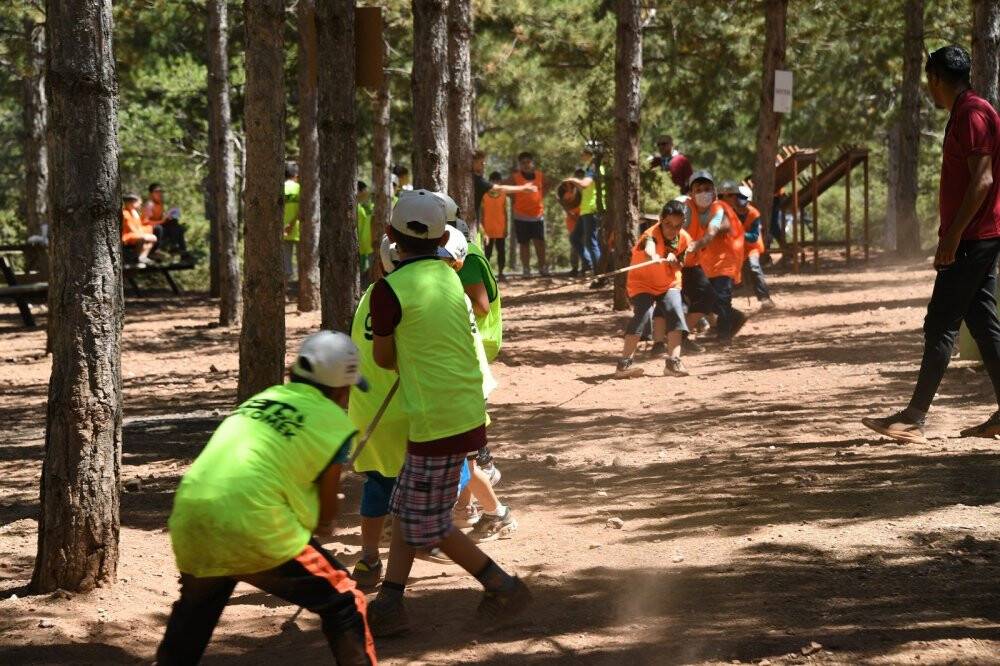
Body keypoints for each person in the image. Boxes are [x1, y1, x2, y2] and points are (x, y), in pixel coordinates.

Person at [365, 189, 531, 636]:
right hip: (465, 409)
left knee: (427, 524)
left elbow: (383, 358)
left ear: (389, 233)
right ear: (443, 237)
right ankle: (390, 601)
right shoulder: (449, 277)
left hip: (435, 419)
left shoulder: (387, 290)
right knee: (408, 507)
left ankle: (502, 586)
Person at [156, 331, 376, 665]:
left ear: (295, 372)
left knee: (195, 616)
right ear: (341, 389)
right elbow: (326, 517)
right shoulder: (333, 423)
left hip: (192, 516)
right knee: (345, 600)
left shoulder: (262, 399)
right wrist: (324, 517)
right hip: (254, 525)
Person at [863, 45, 1000, 444]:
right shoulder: (969, 111)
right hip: (979, 235)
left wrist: (953, 236)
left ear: (935, 78)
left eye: (929, 80)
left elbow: (983, 180)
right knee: (984, 326)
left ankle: (913, 419)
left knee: (940, 324)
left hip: (972, 238)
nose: (928, 87)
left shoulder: (972, 113)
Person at [615, 200, 692, 379]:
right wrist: (654, 256)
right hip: (642, 283)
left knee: (675, 312)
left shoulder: (684, 238)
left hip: (668, 283)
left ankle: (673, 362)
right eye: (668, 224)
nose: (672, 230)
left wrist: (674, 262)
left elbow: (680, 264)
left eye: (677, 226)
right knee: (643, 315)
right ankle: (624, 364)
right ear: (661, 220)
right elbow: (649, 249)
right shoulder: (650, 234)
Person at [698, 178, 748, 345]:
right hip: (717, 263)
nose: (736, 199)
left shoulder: (719, 207)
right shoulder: (721, 207)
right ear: (726, 195)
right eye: (734, 195)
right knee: (711, 300)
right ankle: (733, 321)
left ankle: (724, 336)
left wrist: (706, 232)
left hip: (722, 263)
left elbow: (724, 226)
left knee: (720, 300)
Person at [719, 183, 776, 309]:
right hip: (735, 248)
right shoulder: (729, 211)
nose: (739, 200)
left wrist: (740, 234)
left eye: (743, 197)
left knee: (754, 266)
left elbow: (754, 236)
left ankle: (765, 298)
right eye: (737, 196)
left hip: (751, 247)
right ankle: (724, 303)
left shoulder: (754, 214)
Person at [562, 145, 606, 280]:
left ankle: (600, 276)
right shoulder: (592, 167)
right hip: (586, 209)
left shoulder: (594, 168)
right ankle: (590, 265)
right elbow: (586, 188)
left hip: (592, 209)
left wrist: (572, 180)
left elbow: (585, 184)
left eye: (584, 152)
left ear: (590, 154)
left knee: (591, 242)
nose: (581, 154)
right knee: (575, 238)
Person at [510, 151, 548, 277]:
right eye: (523, 163)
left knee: (540, 243)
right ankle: (526, 270)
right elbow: (504, 187)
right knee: (524, 244)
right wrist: (514, 198)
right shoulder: (515, 177)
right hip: (521, 216)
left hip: (537, 216)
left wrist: (541, 195)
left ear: (532, 163)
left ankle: (543, 268)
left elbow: (549, 184)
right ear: (520, 165)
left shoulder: (540, 175)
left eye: (528, 162)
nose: (526, 165)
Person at [143, 182, 188, 256]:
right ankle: (156, 250)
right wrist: (162, 221)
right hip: (150, 228)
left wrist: (167, 217)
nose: (160, 193)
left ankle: (177, 248)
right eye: (157, 191)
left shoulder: (160, 203)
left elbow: (159, 218)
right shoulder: (149, 205)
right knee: (159, 228)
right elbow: (146, 222)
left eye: (161, 191)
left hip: (159, 224)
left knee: (177, 225)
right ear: (151, 194)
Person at [480, 171, 509, 279]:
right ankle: (487, 274)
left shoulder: (503, 195)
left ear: (500, 182)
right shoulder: (484, 195)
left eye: (498, 181)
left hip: (500, 229)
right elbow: (481, 213)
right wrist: (482, 229)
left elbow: (505, 212)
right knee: (487, 252)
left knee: (501, 252)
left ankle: (501, 273)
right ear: (489, 182)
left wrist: (506, 228)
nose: (496, 183)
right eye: (493, 181)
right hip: (487, 230)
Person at [558, 172, 584, 275]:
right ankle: (574, 268)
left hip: (583, 217)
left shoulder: (581, 189)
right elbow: (566, 206)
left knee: (585, 242)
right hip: (572, 221)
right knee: (575, 244)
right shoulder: (565, 192)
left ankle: (585, 266)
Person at [121, 193, 158, 265]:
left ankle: (142, 257)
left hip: (135, 234)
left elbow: (139, 226)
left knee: (153, 237)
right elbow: (131, 228)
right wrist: (143, 234)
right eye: (138, 203)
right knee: (144, 237)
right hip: (127, 236)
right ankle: (136, 256)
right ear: (132, 202)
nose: (140, 204)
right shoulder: (125, 213)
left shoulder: (134, 212)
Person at [283, 163, 301, 282]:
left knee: (286, 265)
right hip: (300, 230)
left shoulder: (280, 188)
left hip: (283, 231)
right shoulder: (299, 188)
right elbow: (303, 209)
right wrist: (293, 224)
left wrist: (287, 226)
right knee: (304, 265)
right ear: (296, 175)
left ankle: (284, 290)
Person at [358, 181, 374, 276]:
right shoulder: (358, 209)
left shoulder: (361, 208)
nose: (367, 195)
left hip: (363, 248)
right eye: (365, 191)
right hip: (359, 248)